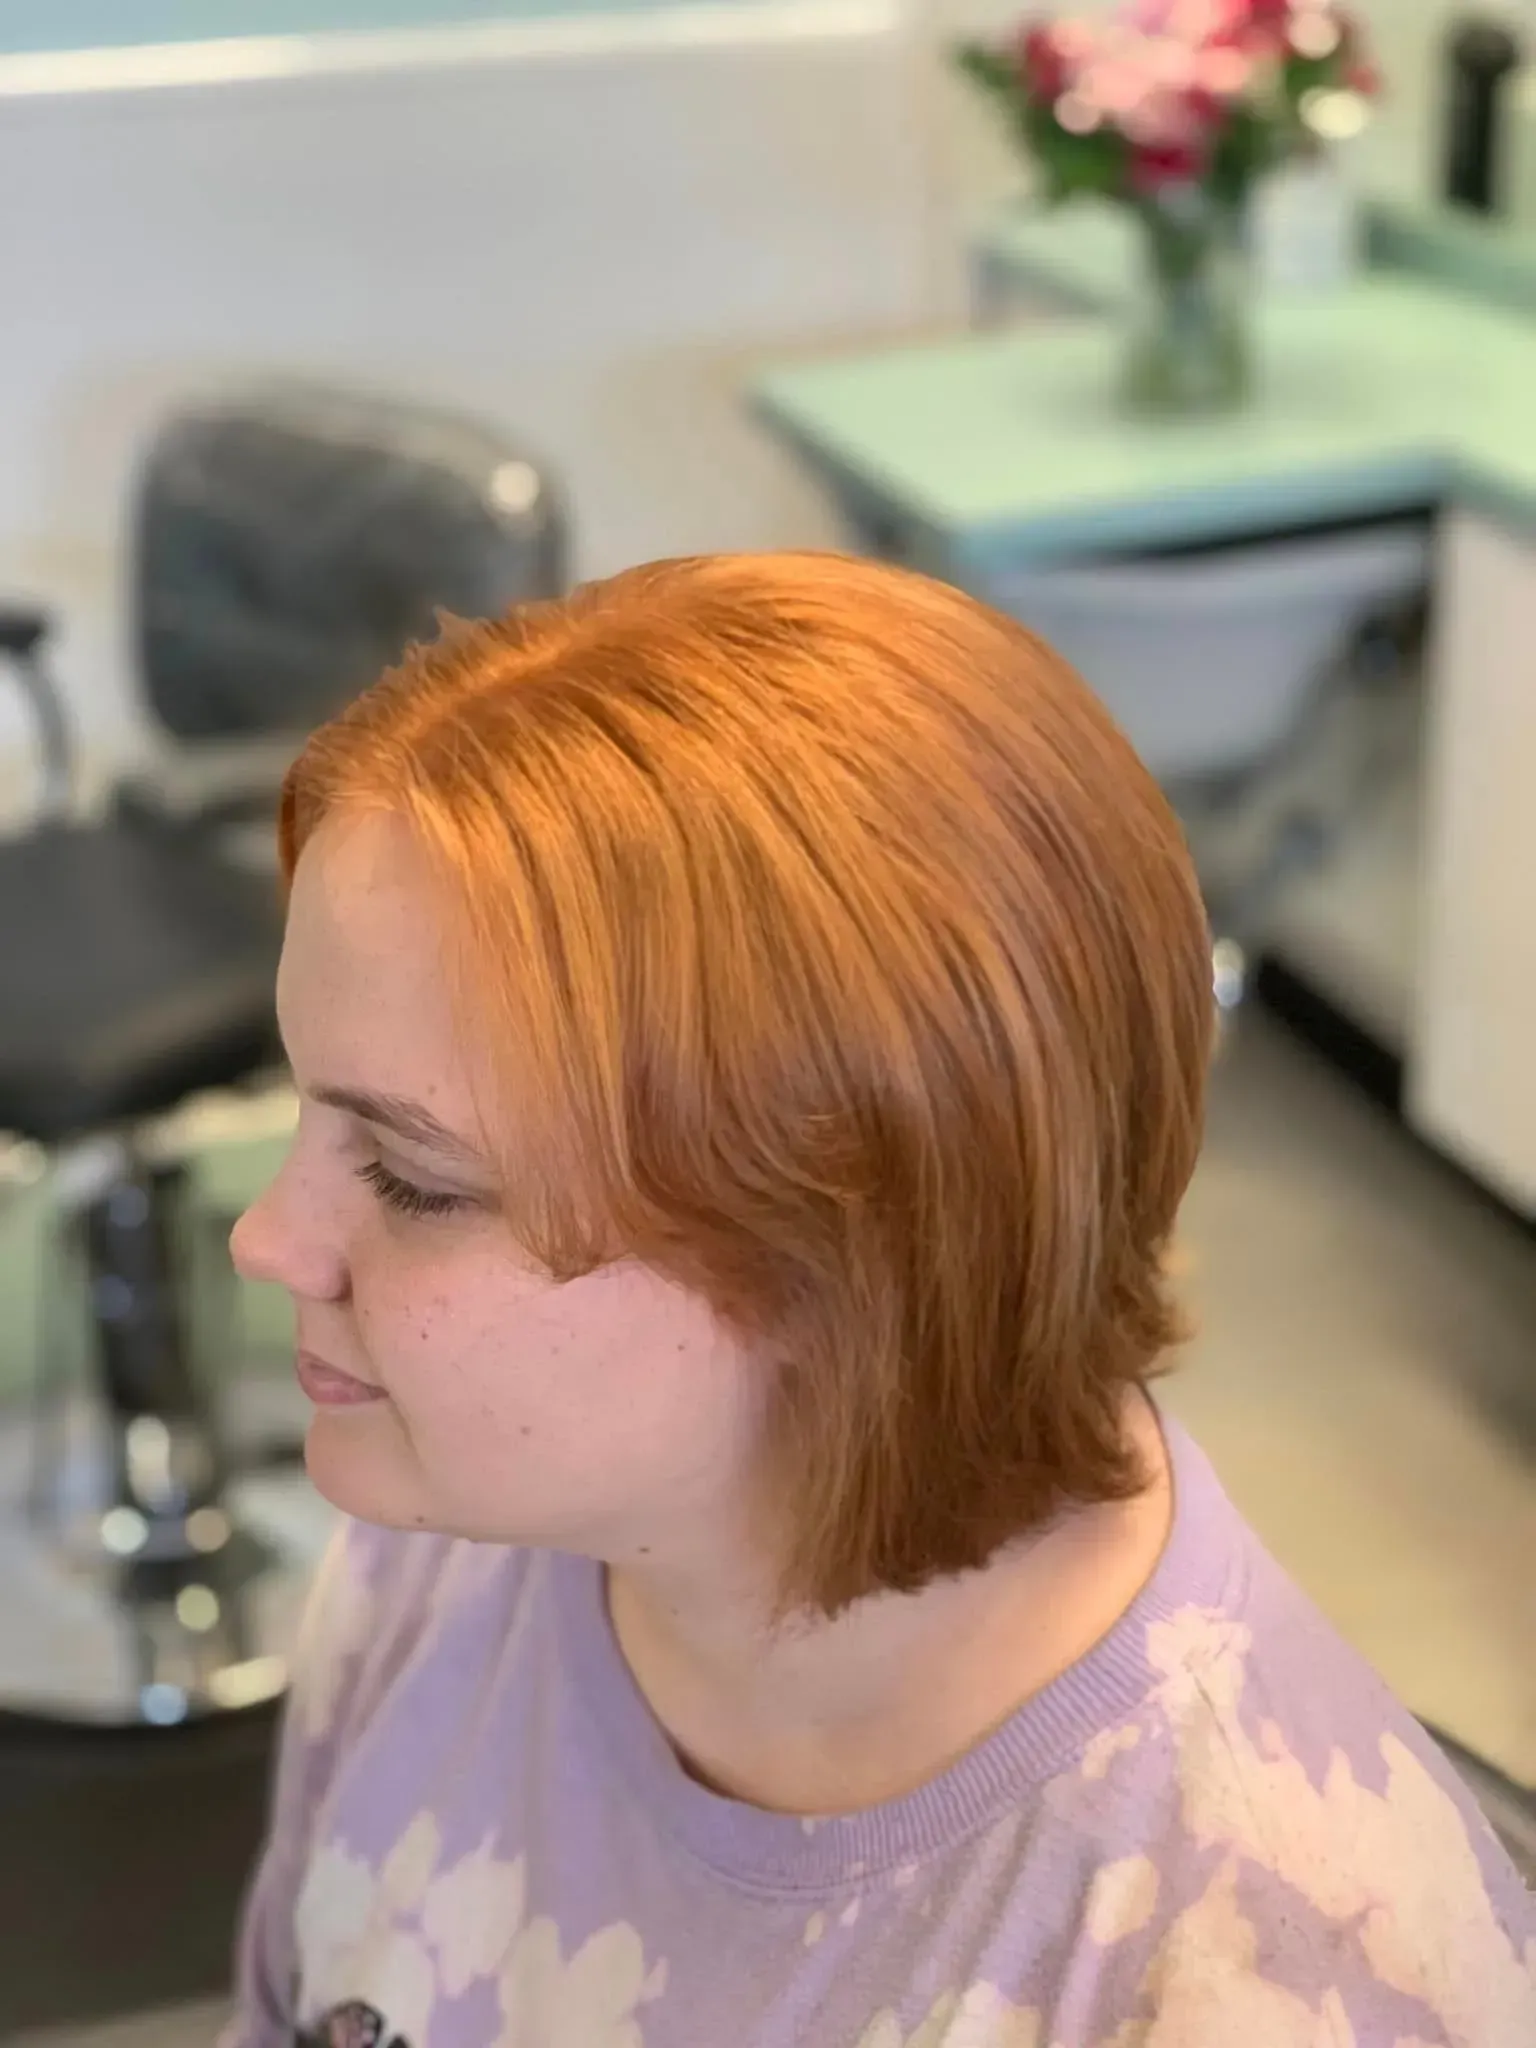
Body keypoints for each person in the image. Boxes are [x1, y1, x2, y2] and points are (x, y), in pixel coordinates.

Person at [225, 552, 1535, 2048]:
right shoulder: (447, 1547)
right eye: (309, 1112)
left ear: (836, 1258)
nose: (268, 1238)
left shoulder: (1257, 1975)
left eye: (411, 1180)